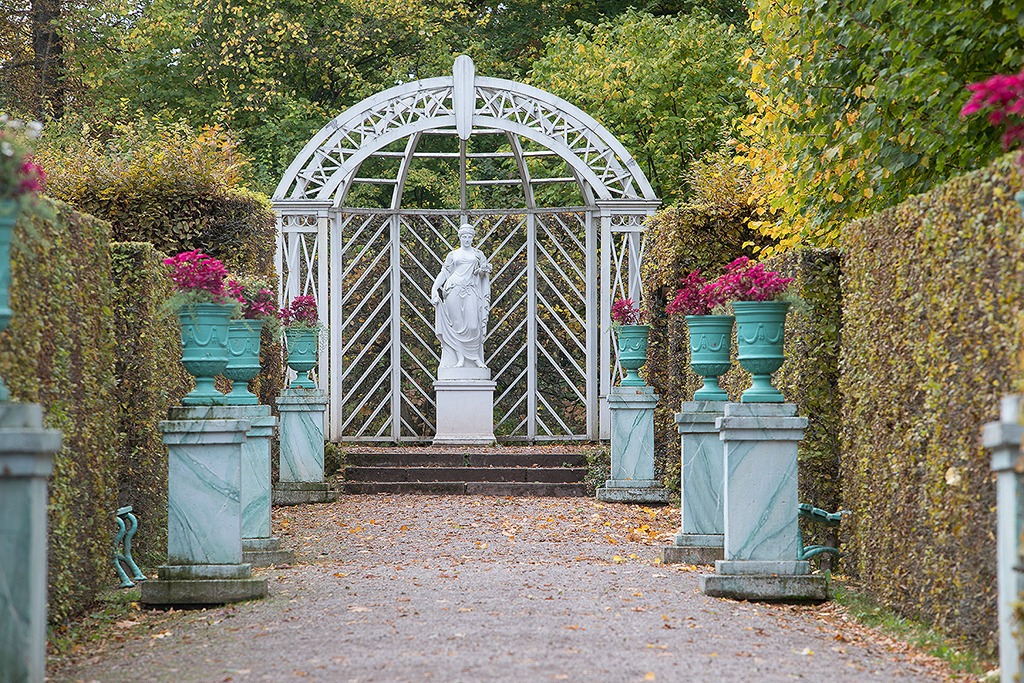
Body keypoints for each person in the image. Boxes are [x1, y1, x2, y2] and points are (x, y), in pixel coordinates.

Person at [430, 224, 492, 368]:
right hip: (453, 289)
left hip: (470, 290)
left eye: (469, 237)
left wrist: (483, 271)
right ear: (460, 237)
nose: (467, 239)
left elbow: (485, 270)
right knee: (457, 326)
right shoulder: (453, 255)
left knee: (473, 325)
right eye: (464, 236)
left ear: (473, 238)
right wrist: (434, 289)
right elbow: (445, 272)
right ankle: (461, 358)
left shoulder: (478, 254)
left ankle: (475, 357)